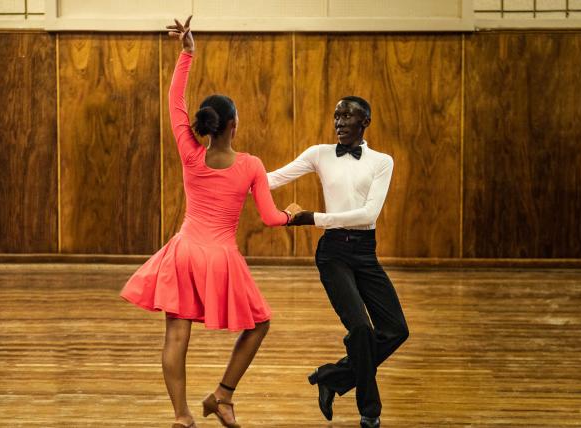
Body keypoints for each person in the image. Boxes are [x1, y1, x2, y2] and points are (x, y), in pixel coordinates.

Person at [120, 16, 301, 428]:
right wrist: (292, 215)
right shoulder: (251, 165)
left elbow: (175, 102)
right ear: (233, 125)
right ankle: (223, 394)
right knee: (260, 325)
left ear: (207, 127)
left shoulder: (191, 153)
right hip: (220, 257)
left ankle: (182, 415)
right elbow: (272, 219)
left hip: (184, 253)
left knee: (176, 337)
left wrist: (187, 53)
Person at [268, 97, 409, 428]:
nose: (340, 121)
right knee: (360, 328)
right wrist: (226, 172)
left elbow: (368, 214)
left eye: (349, 116)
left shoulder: (382, 161)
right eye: (337, 116)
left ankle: (333, 377)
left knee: (396, 330)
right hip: (333, 254)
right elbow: (272, 178)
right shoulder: (320, 153)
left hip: (365, 251)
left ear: (366, 122)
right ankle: (370, 412)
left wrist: (310, 217)